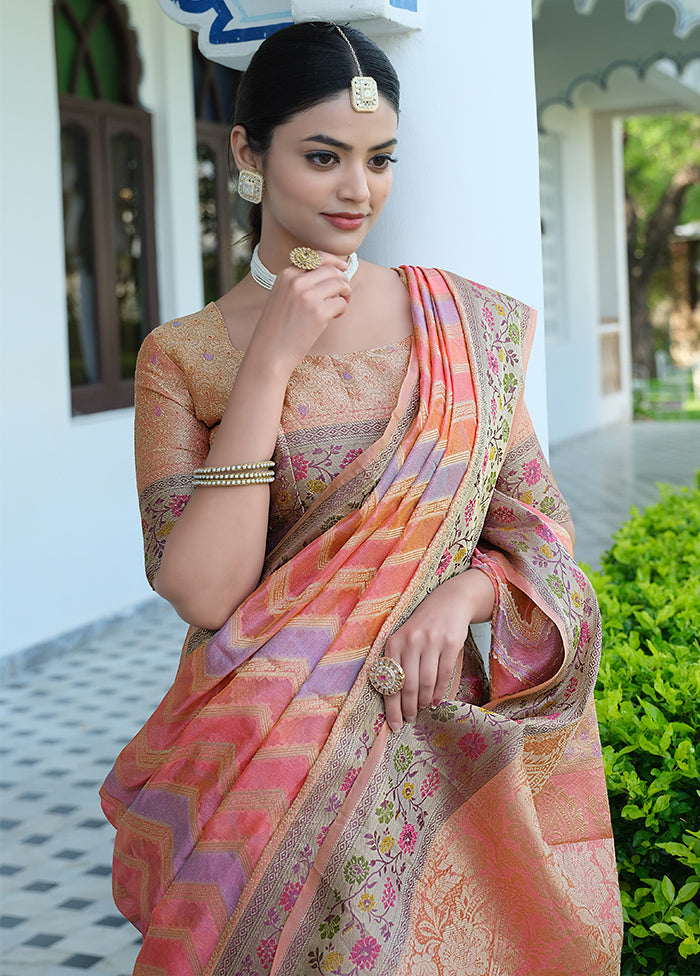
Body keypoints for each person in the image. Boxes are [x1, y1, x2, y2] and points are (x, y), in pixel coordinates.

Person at [101, 21, 622, 976]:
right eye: (324, 157)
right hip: (259, 768)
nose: (358, 191)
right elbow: (205, 593)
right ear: (249, 154)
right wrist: (269, 363)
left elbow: (540, 532)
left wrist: (464, 595)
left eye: (380, 160)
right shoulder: (184, 357)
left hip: (433, 762)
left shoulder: (462, 326)